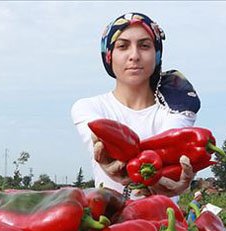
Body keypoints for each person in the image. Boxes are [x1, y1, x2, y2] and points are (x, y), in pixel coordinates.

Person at [71, 12, 201, 199]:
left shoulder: (178, 107)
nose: (134, 56)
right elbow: (104, 150)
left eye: (144, 46)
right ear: (109, 55)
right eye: (123, 46)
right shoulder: (88, 107)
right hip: (110, 222)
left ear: (156, 54)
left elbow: (166, 153)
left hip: (163, 224)